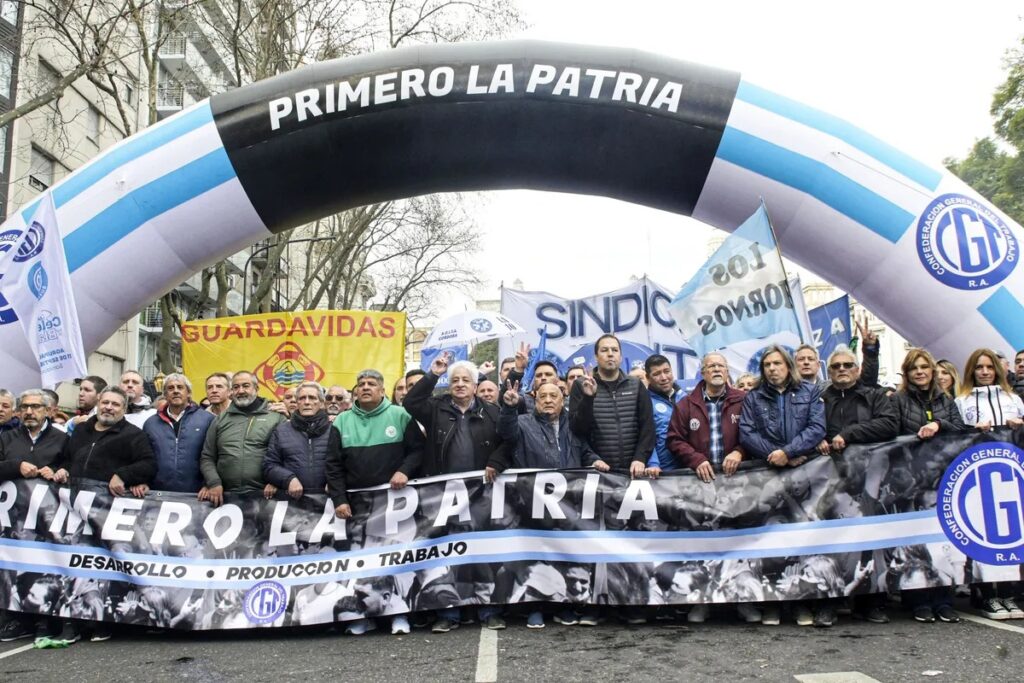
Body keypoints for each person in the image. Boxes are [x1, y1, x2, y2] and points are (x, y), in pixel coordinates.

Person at [404, 356, 509, 632]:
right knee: (447, 555)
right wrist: (432, 375)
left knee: (483, 553)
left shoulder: (492, 411)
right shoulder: (435, 408)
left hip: (482, 495)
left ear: (476, 386)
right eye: (454, 380)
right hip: (444, 495)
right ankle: (449, 614)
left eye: (465, 380)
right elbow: (410, 403)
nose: (460, 384)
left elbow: (509, 442)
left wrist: (495, 462)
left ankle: (490, 610)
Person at [44, 386, 156, 643]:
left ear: (124, 409)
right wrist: (60, 469)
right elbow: (63, 459)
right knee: (70, 564)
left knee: (102, 566)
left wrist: (123, 475)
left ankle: (100, 622)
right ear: (98, 404)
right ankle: (70, 622)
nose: (108, 408)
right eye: (105, 402)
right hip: (72, 507)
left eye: (115, 405)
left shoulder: (133, 435)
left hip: (105, 512)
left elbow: (148, 464)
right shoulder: (80, 430)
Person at [327, 369, 423, 635]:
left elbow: (417, 450)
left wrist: (405, 470)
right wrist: (339, 498)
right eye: (361, 384)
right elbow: (333, 465)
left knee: (396, 562)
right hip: (357, 507)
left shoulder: (400, 415)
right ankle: (360, 616)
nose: (365, 387)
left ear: (383, 390)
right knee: (362, 564)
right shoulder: (342, 421)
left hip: (396, 505)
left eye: (372, 384)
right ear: (355, 391)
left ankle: (398, 616)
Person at [739, 345, 826, 626]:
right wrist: (775, 456)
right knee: (770, 541)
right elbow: (747, 432)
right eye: (767, 365)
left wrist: (788, 452)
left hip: (802, 473)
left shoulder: (809, 392)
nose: (772, 369)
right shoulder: (753, 397)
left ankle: (802, 603)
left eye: (777, 363)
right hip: (768, 475)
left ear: (788, 366)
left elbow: (816, 428)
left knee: (803, 539)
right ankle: (772, 604)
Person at [662, 353, 752, 623]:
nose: (716, 369)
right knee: (703, 544)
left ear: (727, 371)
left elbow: (756, 433)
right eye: (711, 366)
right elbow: (674, 439)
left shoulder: (743, 400)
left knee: (740, 543)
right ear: (702, 372)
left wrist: (740, 451)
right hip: (700, 484)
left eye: (721, 366)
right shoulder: (686, 405)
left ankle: (743, 601)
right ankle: (702, 601)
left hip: (738, 483)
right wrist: (696, 459)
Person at [816, 344, 898, 624]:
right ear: (829, 372)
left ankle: (871, 601)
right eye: (836, 366)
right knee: (832, 542)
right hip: (832, 483)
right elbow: (813, 429)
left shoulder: (874, 396)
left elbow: (889, 425)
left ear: (857, 369)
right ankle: (829, 601)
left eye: (847, 365)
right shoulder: (821, 398)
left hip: (869, 480)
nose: (842, 370)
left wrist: (849, 434)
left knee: (870, 542)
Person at [892, 349, 966, 624]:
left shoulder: (946, 399)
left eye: (925, 367)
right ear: (908, 373)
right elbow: (891, 432)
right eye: (914, 368)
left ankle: (944, 599)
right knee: (915, 541)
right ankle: (918, 600)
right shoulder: (898, 401)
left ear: (932, 371)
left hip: (942, 478)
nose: (920, 372)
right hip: (910, 479)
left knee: (941, 540)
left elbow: (960, 428)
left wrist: (938, 424)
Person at [955, 348, 1024, 620]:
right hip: (978, 477)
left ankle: (1008, 593)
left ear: (997, 369)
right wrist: (972, 431)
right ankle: (987, 595)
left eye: (989, 367)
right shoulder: (962, 401)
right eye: (979, 367)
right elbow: (954, 436)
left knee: (1009, 534)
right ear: (971, 371)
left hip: (1010, 476)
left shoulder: (1014, 399)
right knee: (982, 536)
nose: (984, 372)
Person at [0, 390, 70, 642]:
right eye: (25, 407)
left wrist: (61, 470)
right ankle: (16, 619)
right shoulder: (7, 438)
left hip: (46, 518)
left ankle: (44, 619)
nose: (30, 412)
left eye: (36, 407)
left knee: (44, 567)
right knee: (13, 569)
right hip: (11, 521)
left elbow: (73, 463)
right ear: (18, 412)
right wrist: (15, 466)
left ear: (48, 411)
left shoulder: (62, 438)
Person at [569, 334, 655, 478]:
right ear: (596, 356)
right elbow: (576, 430)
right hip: (598, 472)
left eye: (614, 350)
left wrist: (640, 458)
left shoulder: (636, 384)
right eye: (604, 350)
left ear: (620, 356)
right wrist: (588, 398)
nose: (610, 354)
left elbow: (648, 427)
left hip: (634, 470)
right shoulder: (581, 385)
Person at [199, 370, 286, 505]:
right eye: (236, 387)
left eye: (246, 386)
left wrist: (277, 481)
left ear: (256, 388)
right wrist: (213, 483)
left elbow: (286, 455)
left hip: (266, 497)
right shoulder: (220, 419)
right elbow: (207, 456)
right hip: (226, 496)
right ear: (231, 391)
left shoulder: (276, 417)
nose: (240, 391)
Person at [264, 382, 338, 501]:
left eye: (312, 397)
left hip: (330, 502)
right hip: (294, 504)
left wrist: (336, 481)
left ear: (322, 403)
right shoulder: (281, 431)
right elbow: (269, 465)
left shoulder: (335, 428)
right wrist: (288, 479)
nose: (306, 402)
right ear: (297, 402)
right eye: (302, 398)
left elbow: (347, 462)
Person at [143, 373, 214, 494]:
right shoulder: (151, 423)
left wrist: (209, 484)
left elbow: (214, 455)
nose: (175, 391)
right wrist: (143, 481)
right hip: (158, 493)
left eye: (180, 387)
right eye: (170, 388)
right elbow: (144, 458)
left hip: (197, 494)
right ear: (165, 394)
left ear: (189, 393)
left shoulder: (207, 419)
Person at [643, 354, 686, 474]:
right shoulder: (645, 402)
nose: (664, 377)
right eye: (656, 374)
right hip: (664, 471)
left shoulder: (686, 398)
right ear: (647, 377)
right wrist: (653, 464)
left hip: (691, 467)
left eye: (667, 371)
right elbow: (645, 437)